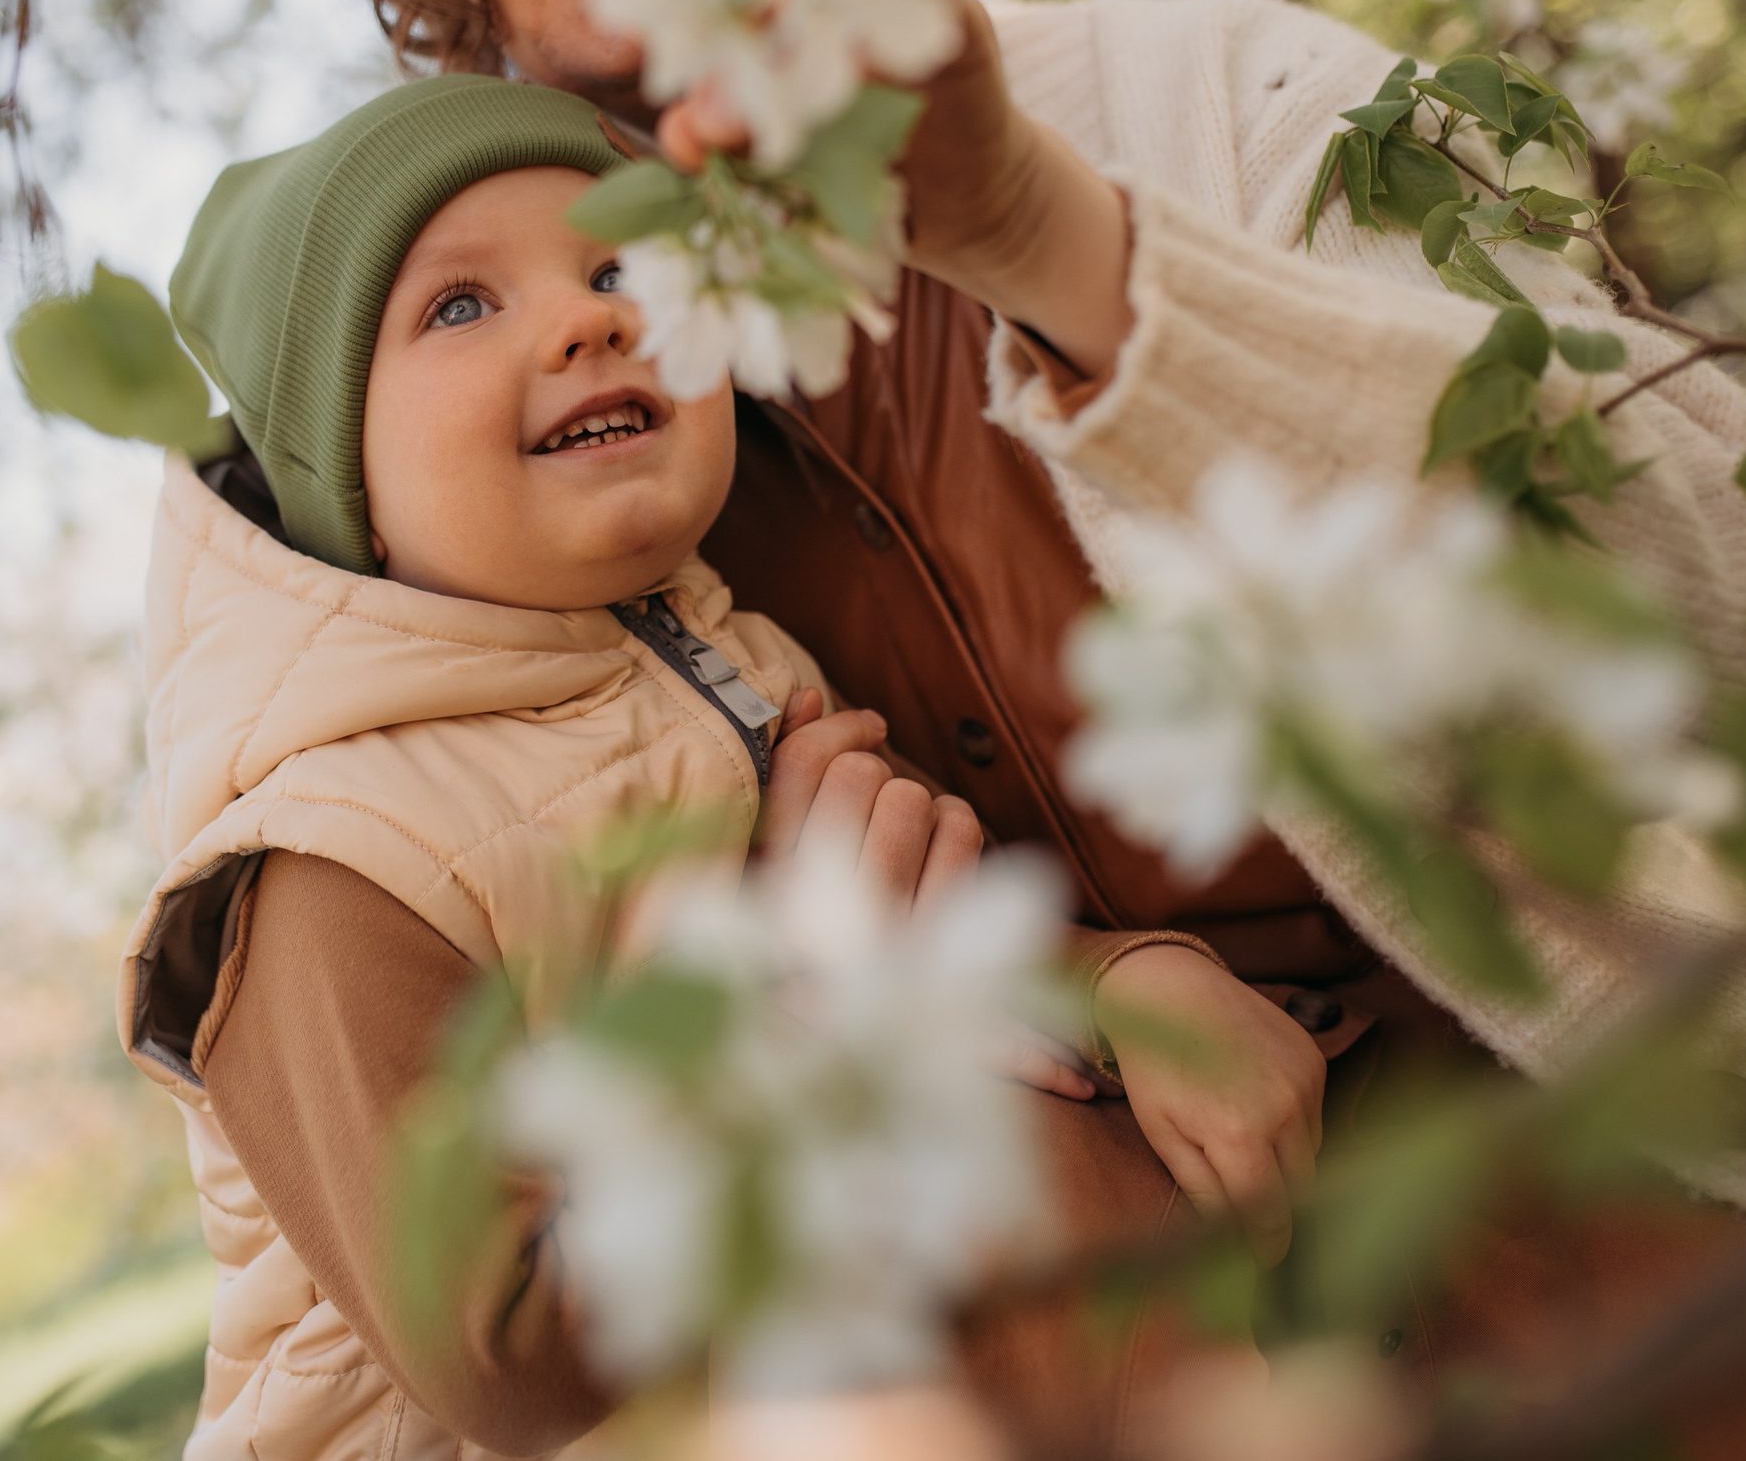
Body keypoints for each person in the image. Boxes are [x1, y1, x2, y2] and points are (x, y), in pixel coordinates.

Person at [299, 0, 1746, 1453]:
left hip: (1719, 1223)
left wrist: (1051, 242)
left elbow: (1716, 603)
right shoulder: (457, 452)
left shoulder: (1232, 93)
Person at [121, 73, 1321, 1460]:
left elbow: (934, 931)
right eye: (460, 303)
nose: (595, 315)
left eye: (625, 266)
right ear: (343, 479)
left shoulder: (726, 660)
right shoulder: (333, 861)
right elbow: (502, 1357)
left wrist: (1130, 984)